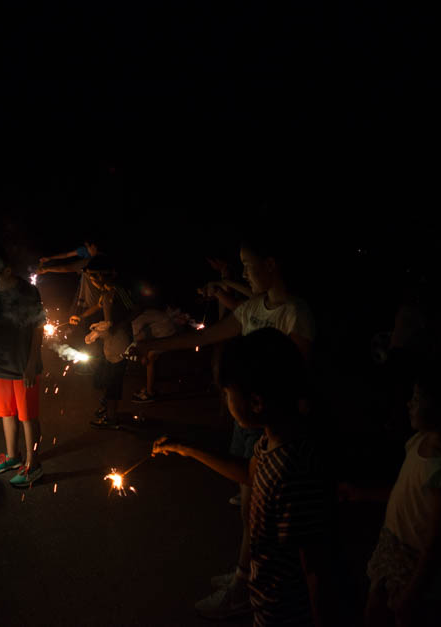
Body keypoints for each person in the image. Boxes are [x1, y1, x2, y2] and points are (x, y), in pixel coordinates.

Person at [132, 238, 316, 617]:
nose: (244, 272)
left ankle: (244, 586)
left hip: (271, 423)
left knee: (260, 509)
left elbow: (297, 379)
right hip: (252, 422)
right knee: (249, 505)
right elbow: (204, 336)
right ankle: (244, 573)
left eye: (249, 266)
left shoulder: (297, 314)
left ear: (271, 264)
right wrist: (160, 347)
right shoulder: (253, 308)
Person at [152, 328, 333, 625]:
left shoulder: (293, 471)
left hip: (287, 610)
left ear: (257, 402)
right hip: (266, 599)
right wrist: (187, 449)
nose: (224, 400)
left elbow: (315, 566)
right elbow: (251, 474)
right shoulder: (271, 442)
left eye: (227, 392)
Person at [341, 358, 441, 627]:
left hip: (415, 560)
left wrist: (413, 590)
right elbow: (406, 491)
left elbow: (436, 540)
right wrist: (362, 494)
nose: (409, 404)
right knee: (374, 610)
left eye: (417, 398)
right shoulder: (419, 441)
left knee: (405, 614)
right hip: (392, 545)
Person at [0, 246, 46, 487]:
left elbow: (38, 328)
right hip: (1, 367)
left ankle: (32, 464)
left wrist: (32, 363)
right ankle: (12, 457)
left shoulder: (28, 292)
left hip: (24, 365)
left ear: (6, 271)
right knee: (6, 412)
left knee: (27, 416)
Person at [74, 254, 139, 428]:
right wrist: (81, 317)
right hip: (110, 341)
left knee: (113, 380)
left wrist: (113, 327)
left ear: (102, 275)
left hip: (120, 341)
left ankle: (111, 419)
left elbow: (135, 309)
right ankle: (108, 409)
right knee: (107, 376)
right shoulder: (106, 291)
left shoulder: (116, 290)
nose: (92, 280)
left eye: (93, 276)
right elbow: (99, 306)